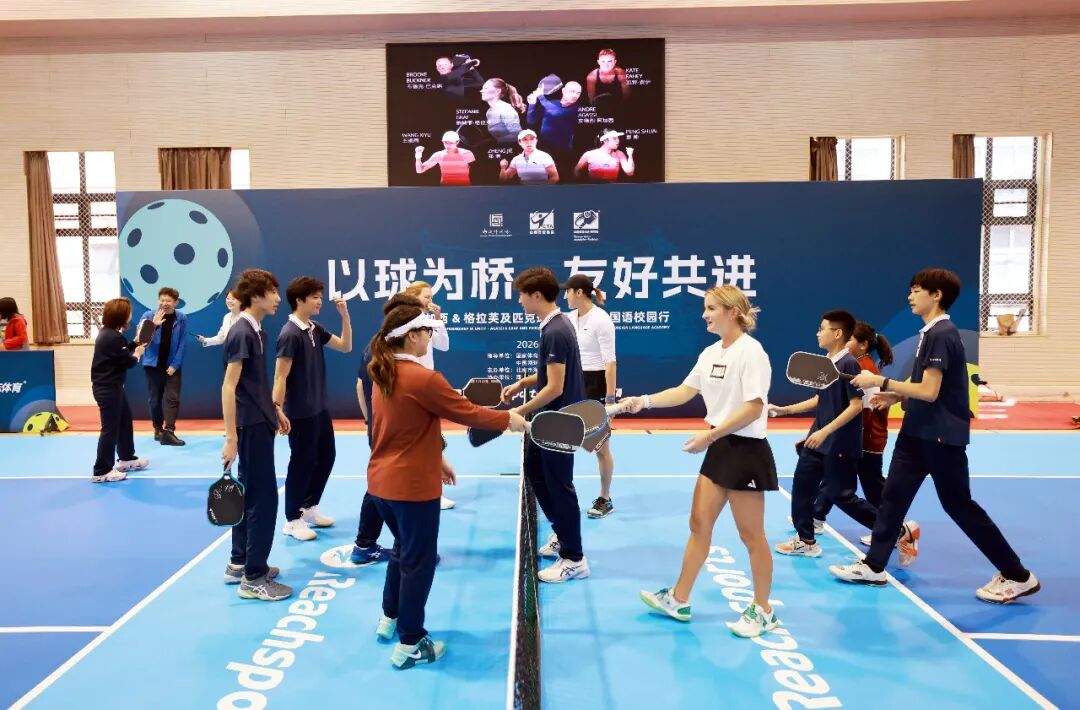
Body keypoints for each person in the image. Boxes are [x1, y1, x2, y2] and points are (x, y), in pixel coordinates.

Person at [831, 269, 1041, 604]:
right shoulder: (930, 333)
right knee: (893, 499)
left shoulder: (942, 333)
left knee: (959, 505)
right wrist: (896, 396)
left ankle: (1017, 575)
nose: (910, 296)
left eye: (916, 290)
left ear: (936, 295)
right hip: (916, 433)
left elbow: (930, 391)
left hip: (940, 437)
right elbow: (925, 387)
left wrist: (880, 382)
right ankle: (873, 566)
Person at [366, 300, 525, 668]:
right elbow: (466, 412)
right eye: (427, 331)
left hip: (380, 485)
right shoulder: (423, 378)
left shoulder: (384, 372)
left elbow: (405, 424)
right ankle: (410, 642)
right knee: (418, 564)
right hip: (411, 488)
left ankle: (390, 617)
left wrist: (436, 458)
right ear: (411, 337)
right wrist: (509, 419)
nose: (430, 336)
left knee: (402, 550)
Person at [626, 285, 780, 637]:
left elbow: (753, 408)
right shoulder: (711, 352)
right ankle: (679, 598)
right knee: (698, 523)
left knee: (751, 536)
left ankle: (764, 610)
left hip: (746, 450)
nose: (704, 314)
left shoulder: (751, 352)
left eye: (711, 308)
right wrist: (644, 401)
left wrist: (709, 436)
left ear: (732, 312)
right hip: (720, 446)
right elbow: (685, 391)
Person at [771, 310, 918, 565]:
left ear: (837, 333)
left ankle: (897, 530)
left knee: (842, 495)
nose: (818, 333)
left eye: (822, 328)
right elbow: (820, 399)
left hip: (839, 442)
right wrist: (785, 410)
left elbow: (855, 406)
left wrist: (826, 431)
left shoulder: (849, 364)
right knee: (803, 486)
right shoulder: (827, 363)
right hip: (817, 440)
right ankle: (806, 540)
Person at [501, 267, 590, 584]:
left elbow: (554, 387)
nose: (520, 302)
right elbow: (550, 375)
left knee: (559, 486)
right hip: (551, 421)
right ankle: (562, 534)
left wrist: (519, 412)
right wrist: (522, 383)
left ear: (536, 296)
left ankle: (574, 559)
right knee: (536, 473)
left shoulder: (555, 331)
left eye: (522, 296)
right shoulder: (556, 324)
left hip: (559, 423)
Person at [222, 268, 292, 602]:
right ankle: (254, 578)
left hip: (259, 421)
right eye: (273, 292)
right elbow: (229, 386)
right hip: (248, 427)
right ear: (256, 296)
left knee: (250, 495)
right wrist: (230, 438)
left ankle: (240, 563)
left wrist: (274, 409)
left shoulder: (257, 330)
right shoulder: (242, 332)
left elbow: (255, 383)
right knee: (263, 500)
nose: (278, 298)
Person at [274, 277, 352, 541]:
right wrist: (277, 409)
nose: (320, 301)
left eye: (320, 296)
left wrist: (344, 316)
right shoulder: (289, 334)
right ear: (300, 300)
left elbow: (345, 347)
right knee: (301, 463)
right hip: (300, 412)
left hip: (319, 409)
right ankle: (292, 520)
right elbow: (280, 376)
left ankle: (308, 508)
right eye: (315, 297)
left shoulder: (314, 328)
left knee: (327, 456)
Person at [351, 293, 425, 567]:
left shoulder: (376, 345)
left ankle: (374, 544)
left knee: (383, 485)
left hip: (383, 429)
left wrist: (369, 422)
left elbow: (360, 387)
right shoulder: (383, 352)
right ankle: (371, 544)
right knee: (384, 488)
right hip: (391, 432)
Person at [812, 322, 893, 546]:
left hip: (868, 440)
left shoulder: (864, 369)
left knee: (872, 487)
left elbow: (866, 410)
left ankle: (892, 530)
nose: (845, 342)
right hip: (857, 438)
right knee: (834, 478)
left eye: (849, 339)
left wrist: (837, 435)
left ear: (863, 345)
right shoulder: (852, 364)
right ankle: (817, 517)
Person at [562, 274, 618, 519]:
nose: (565, 296)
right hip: (572, 384)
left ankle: (605, 498)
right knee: (564, 445)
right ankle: (563, 496)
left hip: (595, 386)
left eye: (568, 291)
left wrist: (610, 401)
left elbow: (610, 363)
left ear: (579, 293)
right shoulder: (568, 319)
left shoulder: (601, 320)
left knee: (600, 448)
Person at [402, 281, 457, 510]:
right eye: (426, 296)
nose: (430, 300)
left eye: (431, 296)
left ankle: (430, 490)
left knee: (430, 441)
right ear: (413, 297)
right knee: (419, 443)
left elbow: (444, 345)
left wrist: (438, 319)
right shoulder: (404, 322)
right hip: (411, 389)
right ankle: (421, 490)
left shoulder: (428, 321)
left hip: (426, 389)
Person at [90, 298, 149, 483]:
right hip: (108, 389)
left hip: (113, 386)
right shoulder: (112, 337)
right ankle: (101, 471)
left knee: (124, 422)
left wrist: (135, 343)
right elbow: (128, 361)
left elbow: (121, 353)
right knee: (110, 429)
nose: (131, 314)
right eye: (128, 312)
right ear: (121, 315)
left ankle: (126, 459)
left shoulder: (110, 334)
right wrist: (138, 354)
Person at [138, 287, 187, 446]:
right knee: (154, 399)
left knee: (173, 398)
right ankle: (158, 429)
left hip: (172, 366)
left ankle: (169, 431)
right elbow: (141, 338)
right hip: (152, 365)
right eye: (162, 300)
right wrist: (154, 325)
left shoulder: (181, 318)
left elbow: (182, 343)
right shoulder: (148, 316)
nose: (165, 303)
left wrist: (175, 364)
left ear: (176, 302)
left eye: (169, 301)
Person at [526, 81, 583, 166]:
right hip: (542, 148)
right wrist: (532, 104)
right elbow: (531, 120)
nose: (575, 95)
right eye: (572, 91)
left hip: (562, 153)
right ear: (563, 91)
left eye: (578, 93)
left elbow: (556, 112)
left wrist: (541, 96)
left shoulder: (578, 108)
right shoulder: (551, 103)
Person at [585, 48, 630, 116]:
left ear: (615, 62)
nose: (606, 64)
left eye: (609, 61)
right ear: (598, 62)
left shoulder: (621, 73)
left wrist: (621, 111)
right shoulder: (592, 76)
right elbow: (591, 99)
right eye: (603, 61)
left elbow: (626, 95)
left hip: (619, 106)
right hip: (600, 107)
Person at [480, 78, 525, 144]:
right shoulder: (489, 111)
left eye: (486, 88)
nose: (481, 91)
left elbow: (517, 135)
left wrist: (495, 141)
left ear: (498, 91)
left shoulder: (506, 109)